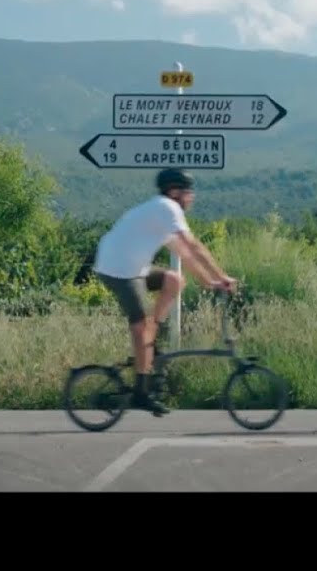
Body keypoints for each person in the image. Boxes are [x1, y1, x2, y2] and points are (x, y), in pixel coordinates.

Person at [92, 168, 237, 416]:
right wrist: (221, 276)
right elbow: (194, 245)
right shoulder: (167, 208)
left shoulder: (162, 214)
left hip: (134, 267)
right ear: (174, 191)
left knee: (174, 280)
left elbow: (184, 253)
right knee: (139, 326)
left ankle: (153, 333)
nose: (191, 197)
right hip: (118, 269)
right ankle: (140, 393)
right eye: (188, 192)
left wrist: (206, 282)